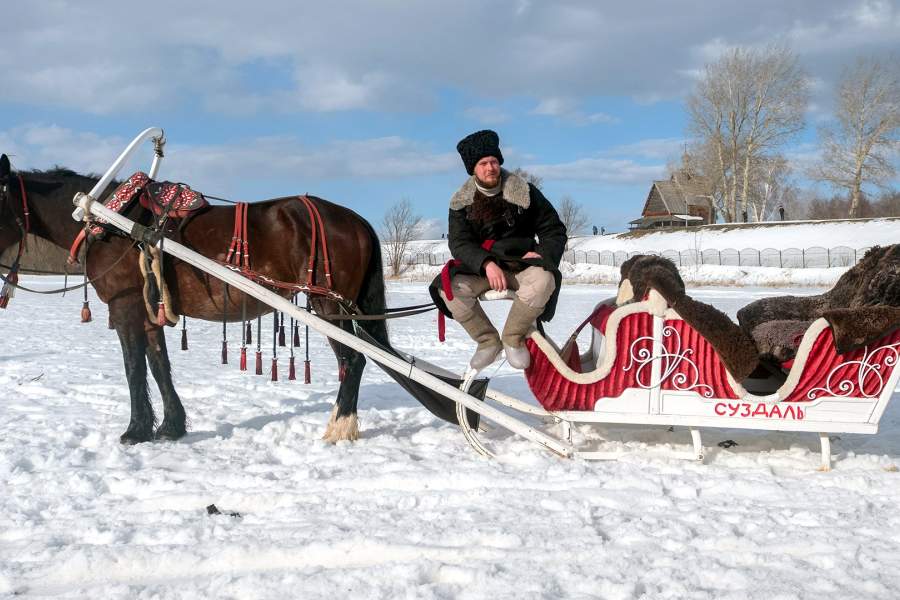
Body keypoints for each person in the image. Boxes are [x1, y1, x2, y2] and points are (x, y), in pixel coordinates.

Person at [430, 130, 567, 370]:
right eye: (483, 163)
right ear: (473, 168)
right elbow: (459, 243)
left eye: (493, 161)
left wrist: (542, 255)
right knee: (449, 290)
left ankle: (513, 338)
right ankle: (487, 342)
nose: (490, 167)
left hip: (523, 264)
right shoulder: (460, 202)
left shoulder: (525, 192)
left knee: (544, 281)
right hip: (482, 270)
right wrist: (486, 263)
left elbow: (553, 229)